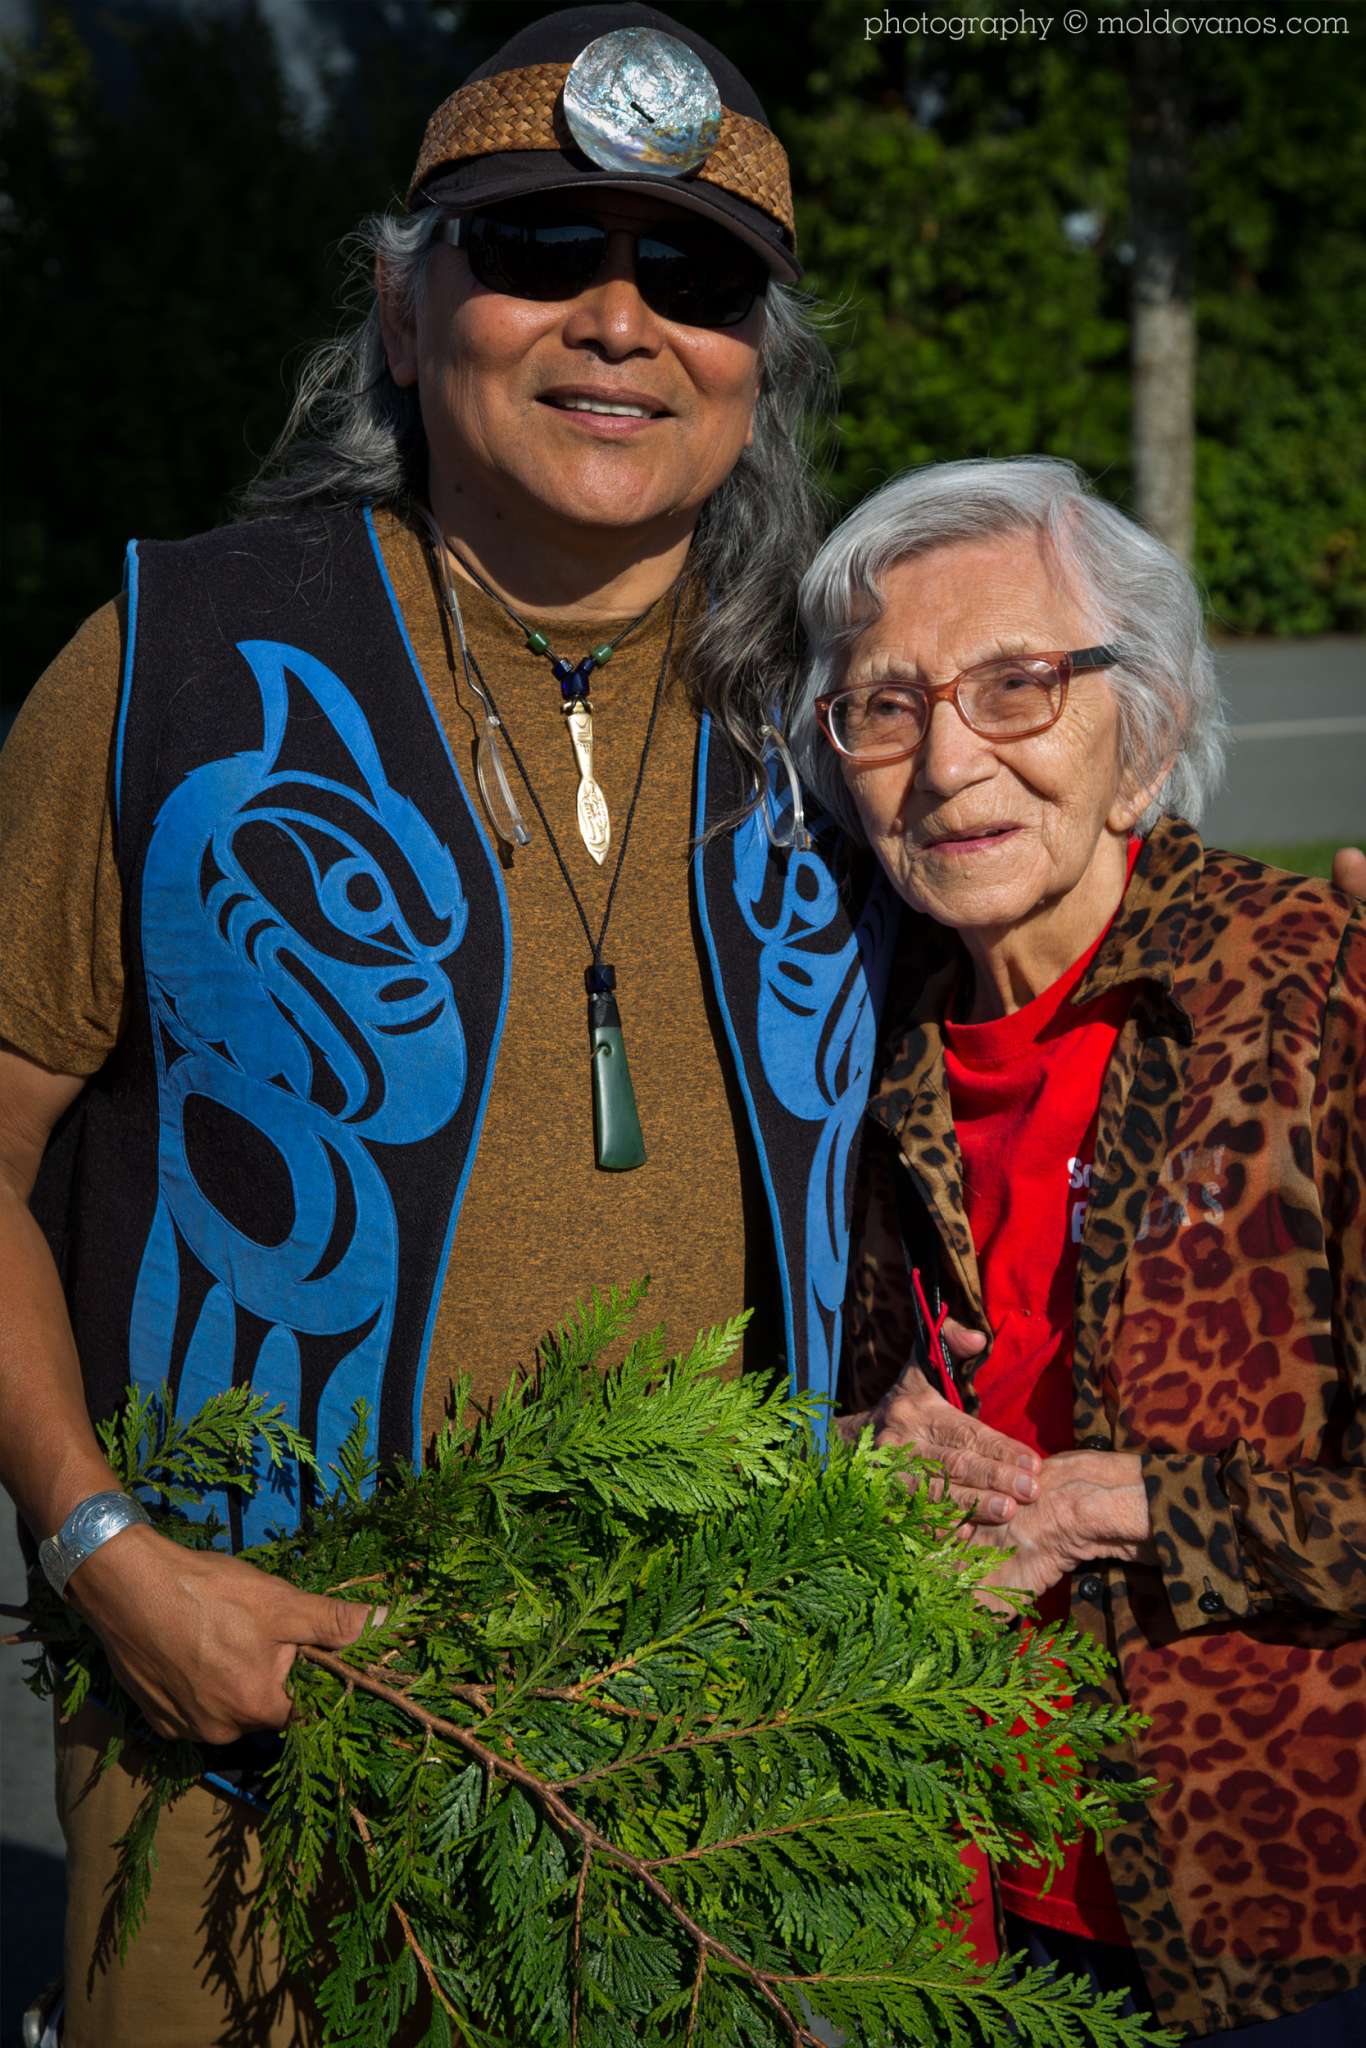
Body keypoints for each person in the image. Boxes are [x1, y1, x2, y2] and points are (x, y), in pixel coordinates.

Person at [0, 9, 905, 2041]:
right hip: (239, 1743)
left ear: (757, 367)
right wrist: (101, 1549)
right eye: (534, 253)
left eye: (691, 279)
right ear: (407, 322)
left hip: (706, 1756)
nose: (616, 319)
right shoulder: (171, 663)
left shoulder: (849, 718)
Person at [792, 455, 1366, 2044]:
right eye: (882, 707)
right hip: (942, 1903)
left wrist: (1146, 1509)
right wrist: (848, 1458)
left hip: (1278, 1918)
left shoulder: (1320, 999)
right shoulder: (840, 1043)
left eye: (1017, 685)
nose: (945, 758)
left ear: (1149, 731)